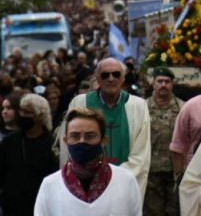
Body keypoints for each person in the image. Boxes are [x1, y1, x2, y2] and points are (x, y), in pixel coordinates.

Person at [60, 57, 151, 197]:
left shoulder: (138, 106)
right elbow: (68, 144)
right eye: (105, 75)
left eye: (116, 74)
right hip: (86, 181)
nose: (111, 78)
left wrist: (116, 178)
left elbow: (141, 152)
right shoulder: (80, 102)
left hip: (124, 183)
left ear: (123, 78)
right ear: (97, 79)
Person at [34, 107, 141, 216]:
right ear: (66, 141)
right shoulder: (50, 185)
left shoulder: (126, 181)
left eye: (90, 136)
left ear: (103, 140)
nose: (82, 141)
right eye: (75, 136)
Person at [0, 93, 57, 216]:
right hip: (9, 208)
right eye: (21, 111)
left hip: (39, 208)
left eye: (27, 113)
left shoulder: (52, 145)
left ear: (39, 116)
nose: (22, 115)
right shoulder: (10, 141)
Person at [144, 67, 184, 216]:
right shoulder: (142, 107)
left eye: (167, 81)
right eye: (159, 81)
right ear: (153, 83)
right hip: (150, 172)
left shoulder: (183, 108)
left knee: (174, 211)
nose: (163, 85)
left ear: (172, 84)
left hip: (175, 171)